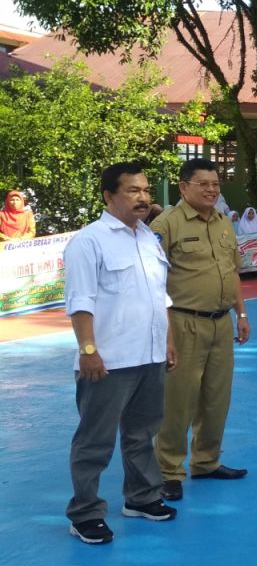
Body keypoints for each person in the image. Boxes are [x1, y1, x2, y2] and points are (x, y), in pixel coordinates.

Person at [64, 163, 179, 545]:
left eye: (146, 190)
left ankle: (142, 498)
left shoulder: (149, 239)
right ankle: (85, 513)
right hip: (108, 361)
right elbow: (80, 301)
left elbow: (159, 296)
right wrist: (89, 350)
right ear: (108, 196)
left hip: (149, 356)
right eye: (132, 191)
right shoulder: (89, 241)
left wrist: (168, 341)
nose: (143, 197)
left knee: (142, 433)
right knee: (94, 441)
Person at [152, 158, 251, 502]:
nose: (212, 189)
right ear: (183, 187)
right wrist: (163, 333)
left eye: (216, 183)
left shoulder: (224, 222)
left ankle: (207, 461)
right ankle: (169, 470)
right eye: (203, 183)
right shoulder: (167, 225)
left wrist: (241, 313)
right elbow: (154, 283)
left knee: (216, 398)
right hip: (183, 322)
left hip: (221, 322)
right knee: (178, 400)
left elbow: (232, 271)